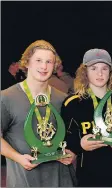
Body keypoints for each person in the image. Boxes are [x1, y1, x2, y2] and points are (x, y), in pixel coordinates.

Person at [0, 40, 76, 187]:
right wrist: (18, 157)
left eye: (49, 62)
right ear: (27, 63)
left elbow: (72, 135)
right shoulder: (6, 98)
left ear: (54, 66)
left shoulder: (62, 98)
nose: (43, 66)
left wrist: (72, 152)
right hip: (25, 181)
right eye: (38, 60)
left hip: (61, 180)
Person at [61, 48, 112, 187]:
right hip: (90, 178)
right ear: (85, 72)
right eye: (93, 68)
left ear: (111, 72)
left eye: (104, 68)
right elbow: (65, 138)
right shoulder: (72, 103)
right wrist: (79, 145)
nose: (100, 73)